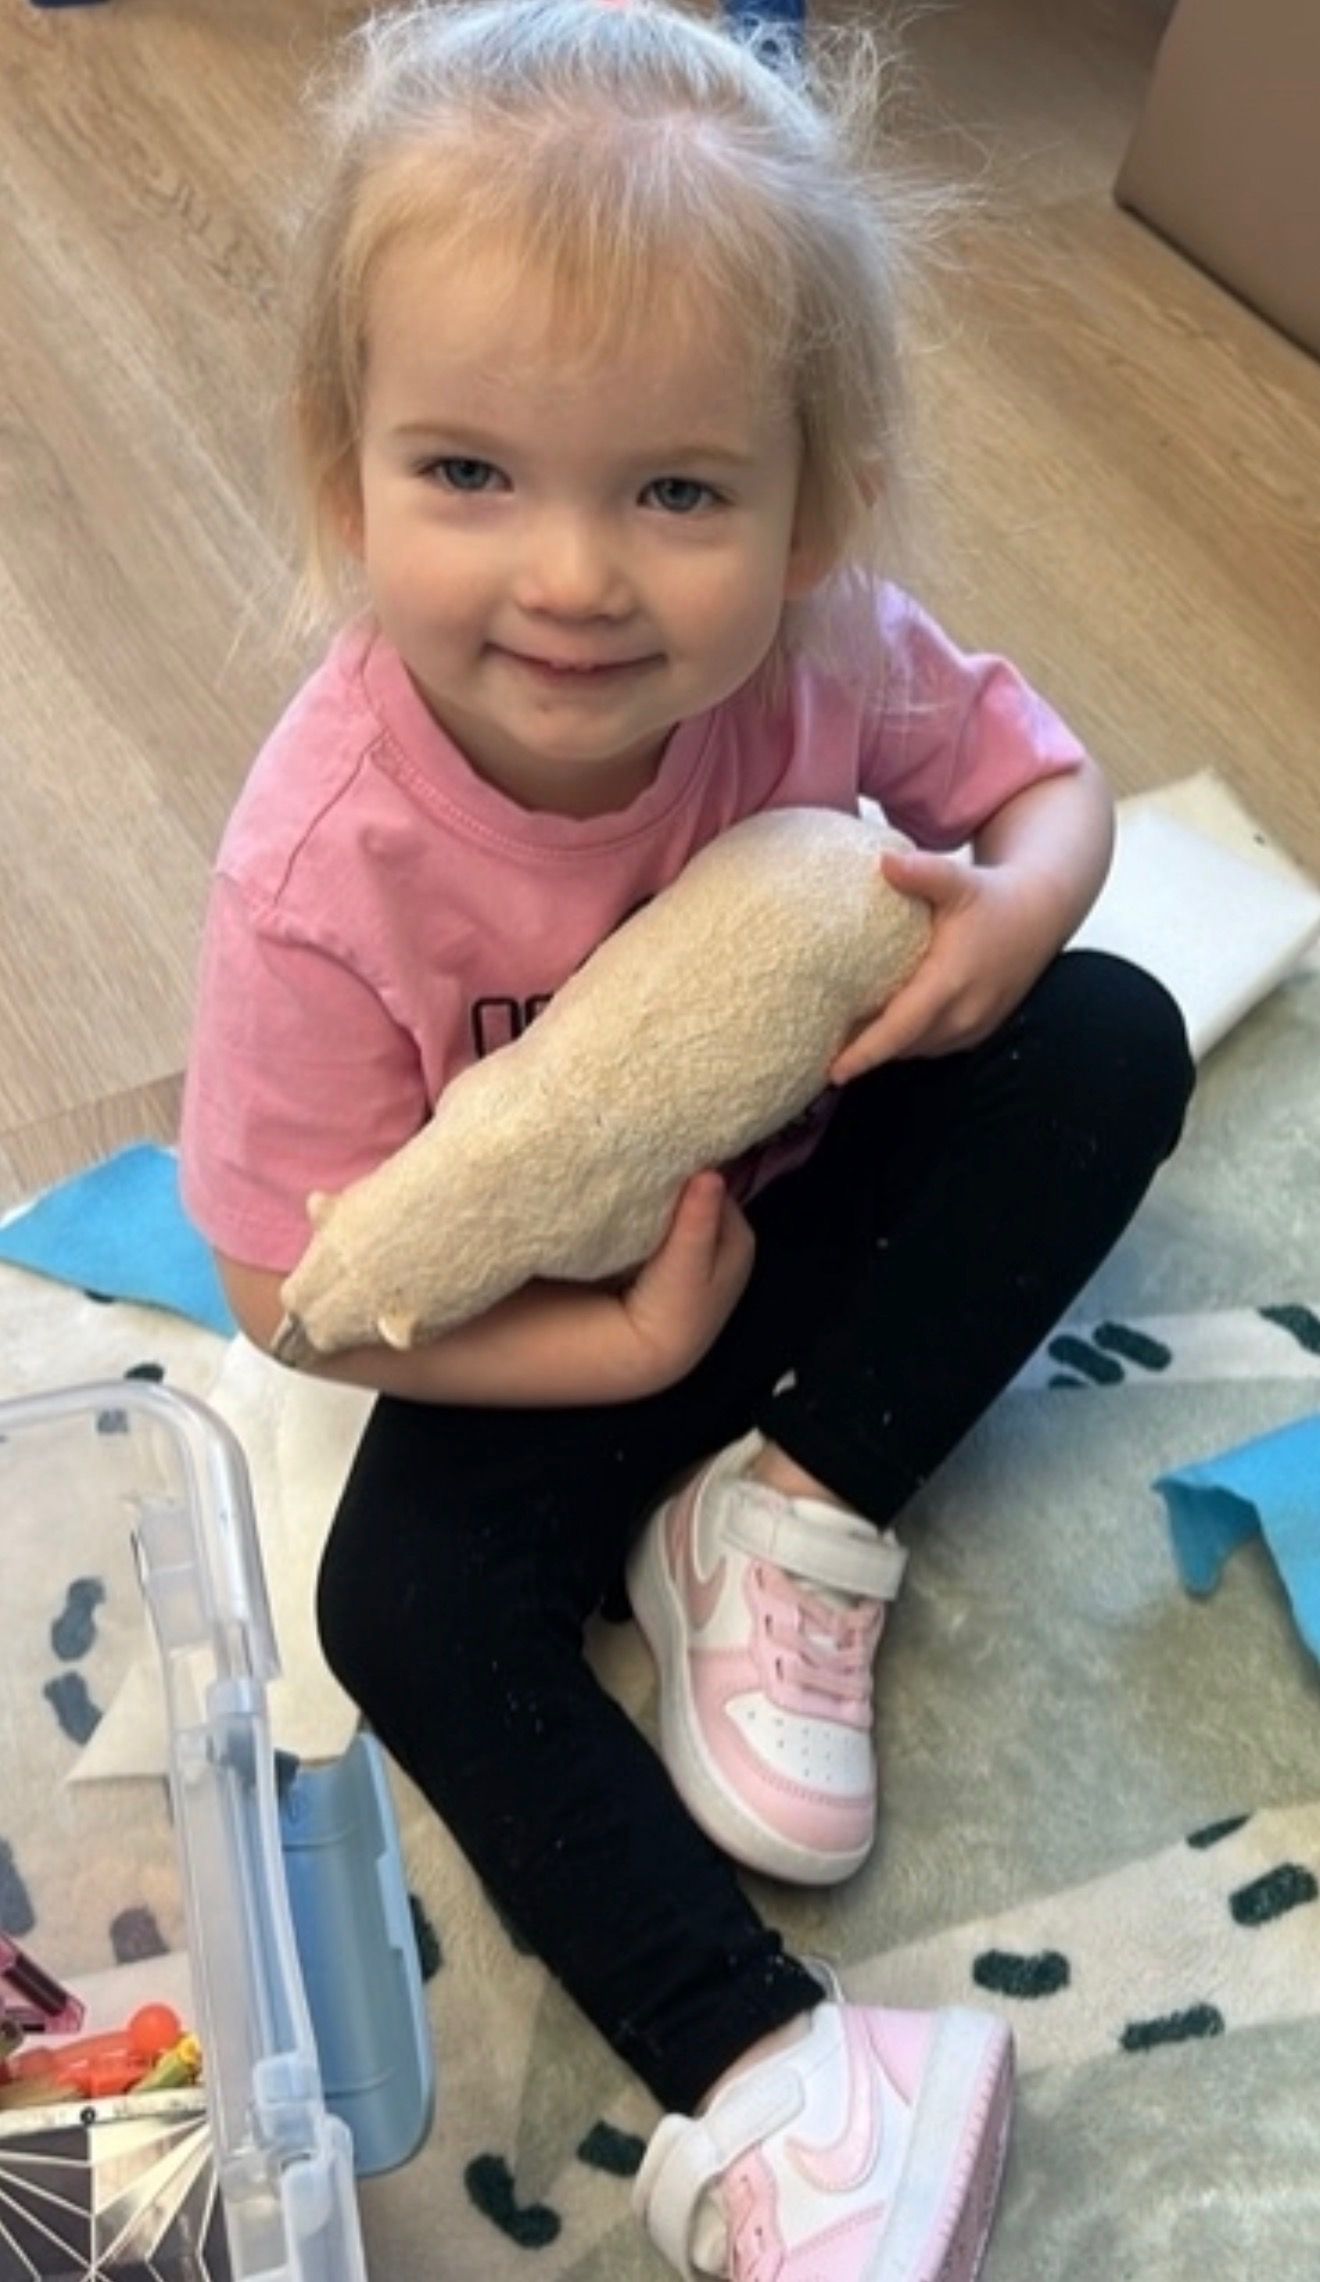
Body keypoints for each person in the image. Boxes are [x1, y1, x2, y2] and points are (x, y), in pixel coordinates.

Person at [180, 3, 1195, 2274]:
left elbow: (1053, 787)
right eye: (469, 476)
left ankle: (791, 1514)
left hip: (807, 1193)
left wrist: (1011, 916)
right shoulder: (319, 871)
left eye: (677, 490)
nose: (573, 577)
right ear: (342, 470)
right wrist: (621, 1361)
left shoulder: (828, 647)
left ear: (811, 494)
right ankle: (778, 2076)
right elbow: (289, 1287)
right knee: (399, 1602)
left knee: (1116, 1033)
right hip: (559, 1327)